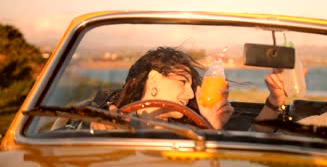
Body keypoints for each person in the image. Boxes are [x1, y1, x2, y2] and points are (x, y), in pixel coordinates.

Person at [89, 47, 234, 130]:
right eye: (182, 82)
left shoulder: (190, 132)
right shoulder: (115, 119)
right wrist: (101, 130)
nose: (190, 94)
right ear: (155, 79)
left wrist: (212, 126)